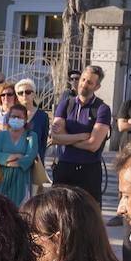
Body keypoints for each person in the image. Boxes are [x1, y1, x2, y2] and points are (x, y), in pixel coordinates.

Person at [50, 67, 112, 204]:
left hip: (88, 171)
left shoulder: (102, 109)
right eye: (83, 79)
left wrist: (66, 139)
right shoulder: (66, 104)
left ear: (97, 86)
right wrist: (81, 136)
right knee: (58, 213)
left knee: (88, 218)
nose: (84, 84)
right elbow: (55, 137)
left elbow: (93, 145)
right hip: (64, 167)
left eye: (90, 82)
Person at [0, 103, 36, 205]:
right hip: (2, 178)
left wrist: (8, 160)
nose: (16, 119)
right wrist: (16, 156)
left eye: (19, 117)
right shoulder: (1, 135)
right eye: (13, 116)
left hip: (22, 177)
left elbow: (30, 156)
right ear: (8, 118)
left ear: (25, 119)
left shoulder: (31, 135)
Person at [14, 79, 50, 163]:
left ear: (34, 94)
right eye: (20, 93)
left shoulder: (42, 116)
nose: (24, 95)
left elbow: (43, 143)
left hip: (35, 163)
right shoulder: (12, 115)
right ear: (17, 97)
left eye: (28, 92)